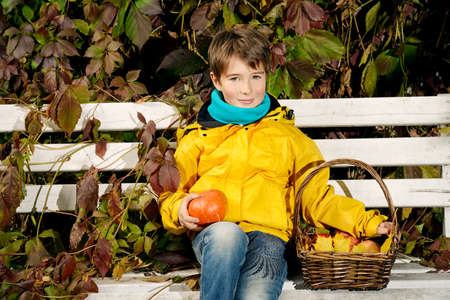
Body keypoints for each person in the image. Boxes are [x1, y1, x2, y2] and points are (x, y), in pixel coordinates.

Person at [158, 26, 392, 300]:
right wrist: (180, 210)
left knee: (256, 291)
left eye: (256, 77)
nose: (247, 89)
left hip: (269, 237)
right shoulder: (198, 136)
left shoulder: (289, 137)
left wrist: (368, 223)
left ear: (267, 76)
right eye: (235, 78)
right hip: (215, 234)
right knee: (227, 236)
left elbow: (316, 199)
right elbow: (172, 193)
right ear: (216, 80)